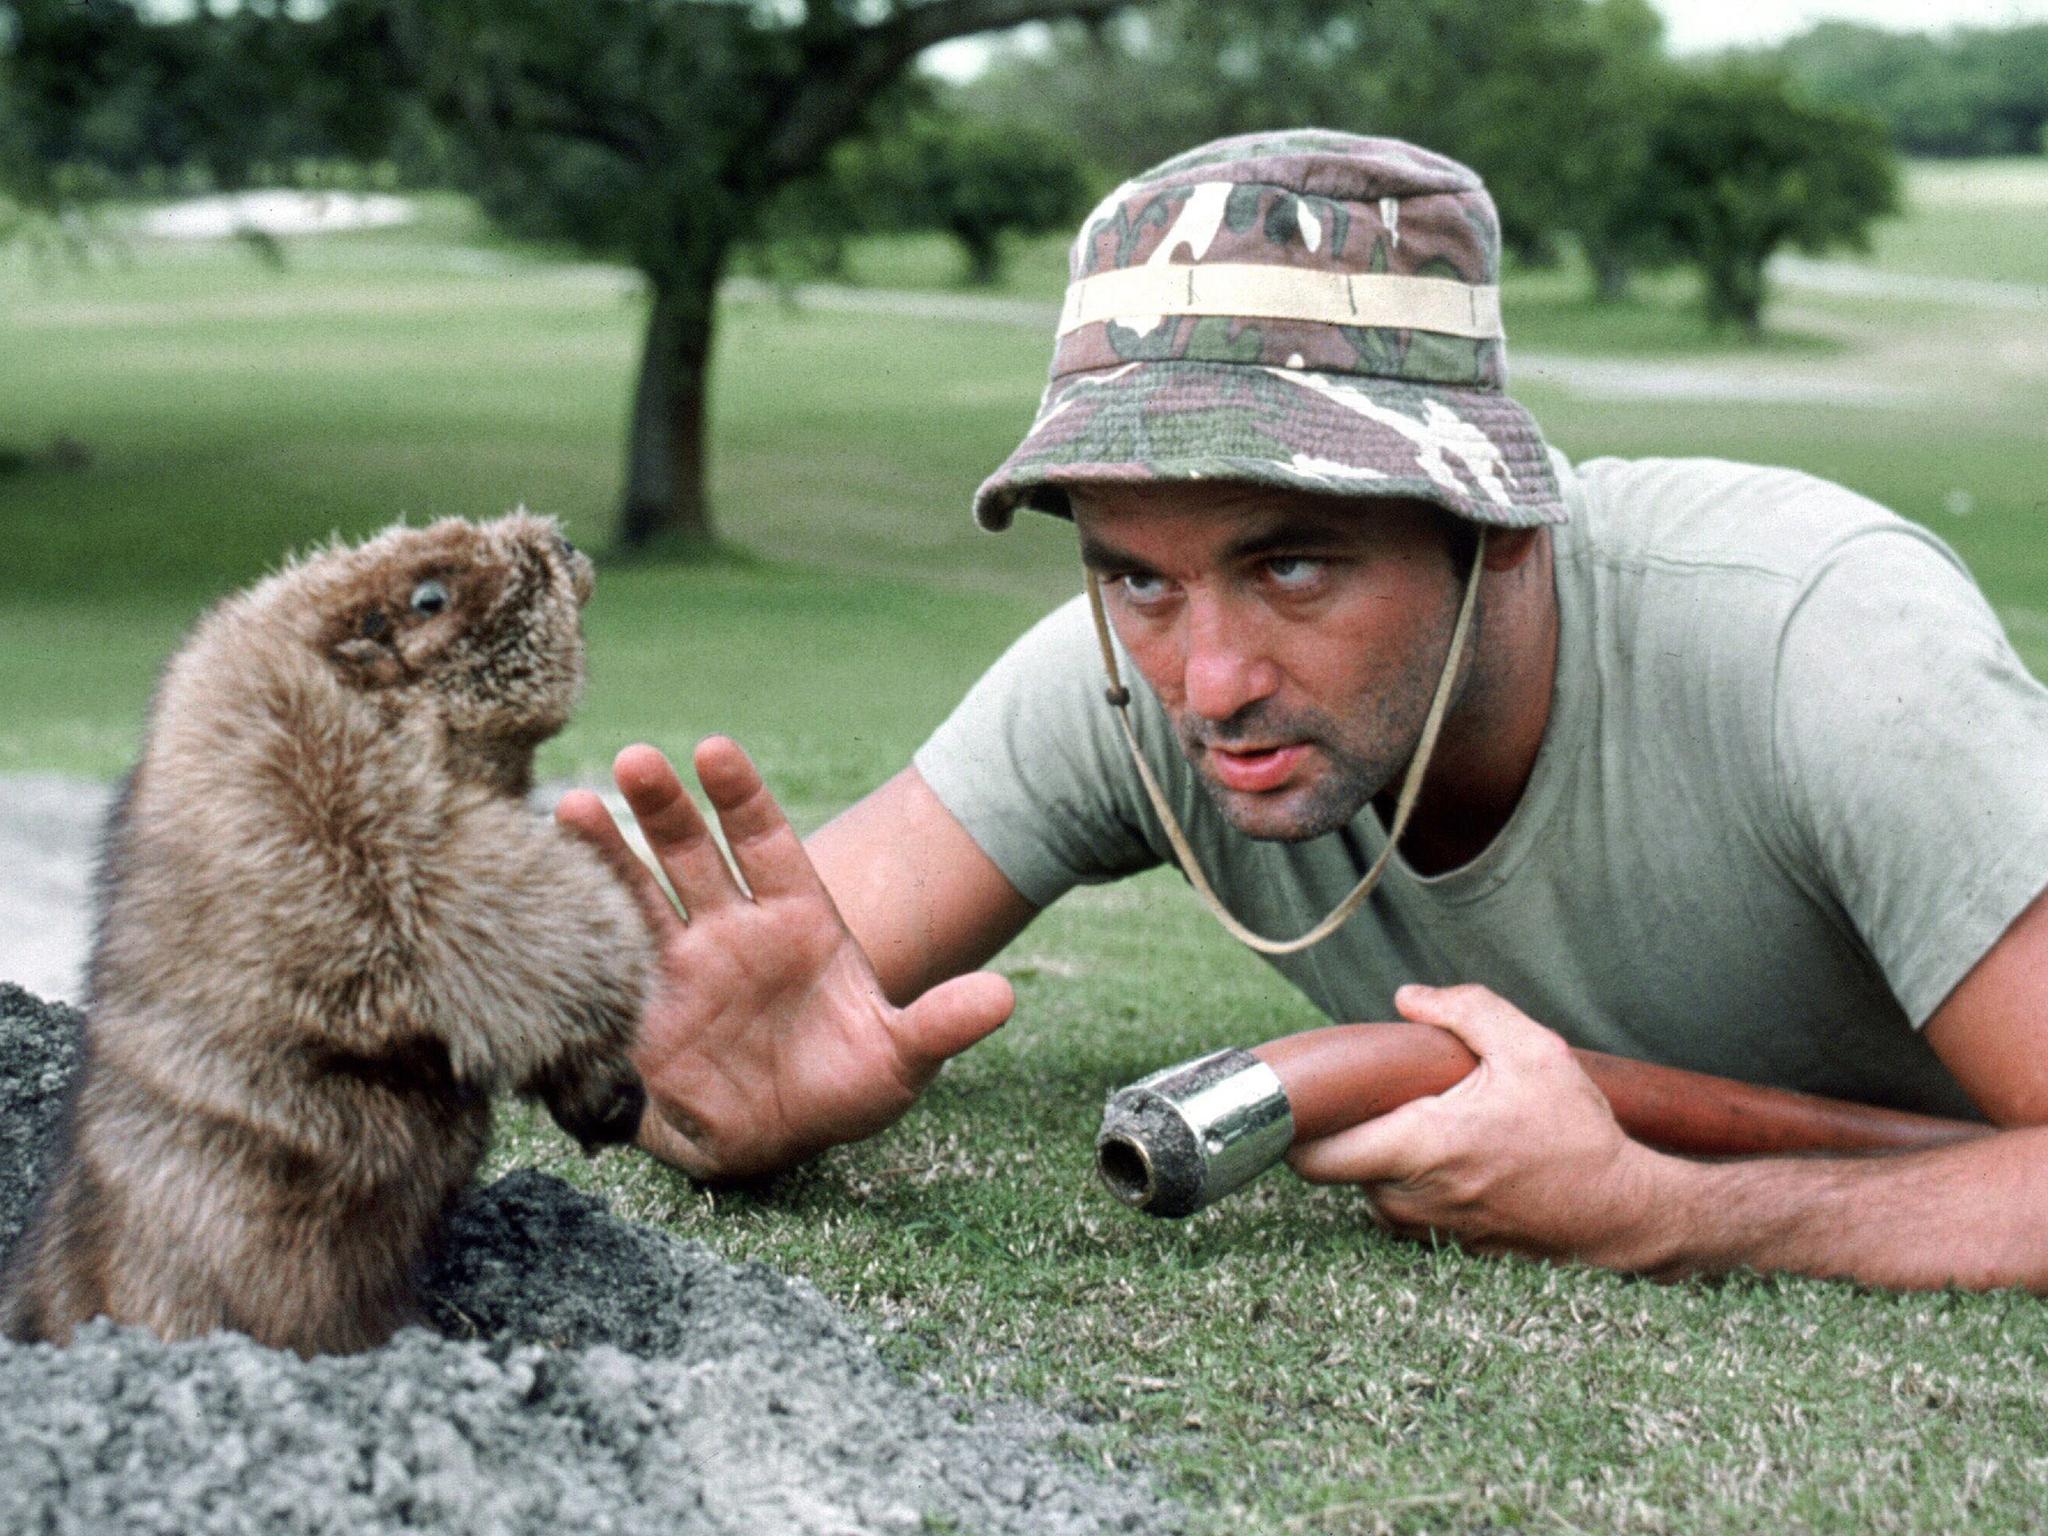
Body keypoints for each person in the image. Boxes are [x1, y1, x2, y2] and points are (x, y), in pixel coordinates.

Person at [557, 130, 2048, 1291]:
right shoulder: (1132, 677)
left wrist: (1678, 1215)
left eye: (1293, 562)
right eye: (1136, 578)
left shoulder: (1823, 649)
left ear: (1502, 521)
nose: (1210, 682)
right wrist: (688, 1095)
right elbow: (776, 988)